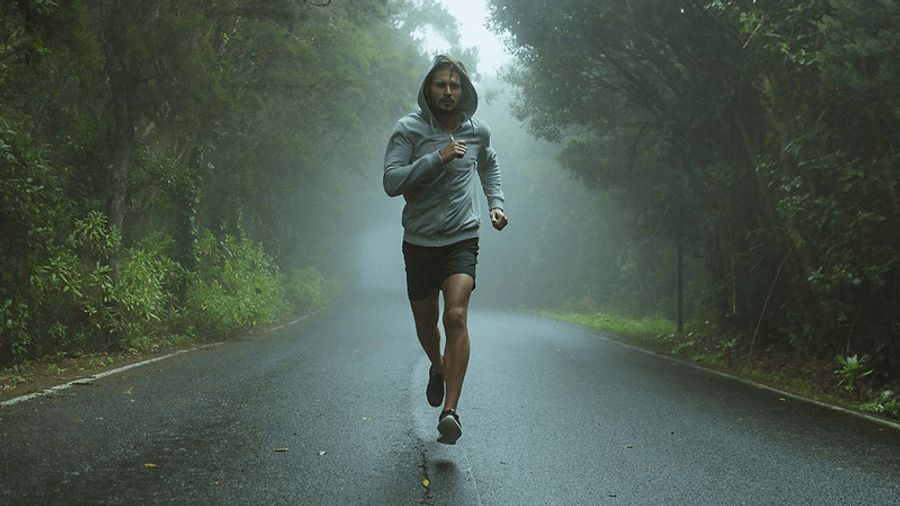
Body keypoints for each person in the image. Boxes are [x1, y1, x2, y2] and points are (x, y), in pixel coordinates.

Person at [383, 55, 508, 445]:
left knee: (455, 316)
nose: (448, 92)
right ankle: (436, 367)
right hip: (419, 241)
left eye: (454, 85)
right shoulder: (409, 129)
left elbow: (488, 164)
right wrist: (437, 157)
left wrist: (495, 202)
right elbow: (391, 182)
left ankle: (450, 411)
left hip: (461, 236)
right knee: (427, 324)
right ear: (428, 89)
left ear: (464, 89)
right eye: (440, 85)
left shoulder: (477, 131)